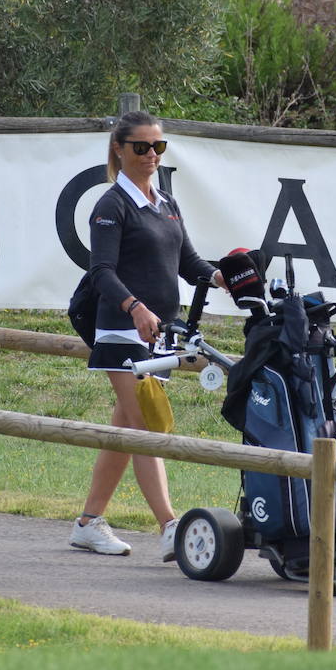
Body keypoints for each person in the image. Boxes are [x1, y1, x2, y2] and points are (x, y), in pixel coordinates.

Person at [69, 111, 222, 560]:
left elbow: (189, 264)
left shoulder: (166, 203)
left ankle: (88, 522)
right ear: (119, 149)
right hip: (122, 331)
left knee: (126, 426)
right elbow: (101, 272)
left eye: (159, 147)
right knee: (145, 426)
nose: (151, 155)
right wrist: (134, 308)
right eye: (141, 147)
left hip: (160, 336)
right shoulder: (110, 206)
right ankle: (171, 526)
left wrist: (221, 278)